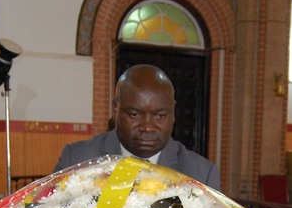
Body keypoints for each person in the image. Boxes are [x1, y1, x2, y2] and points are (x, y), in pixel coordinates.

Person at [54, 64, 221, 190]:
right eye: (134, 115)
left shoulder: (201, 175)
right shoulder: (76, 161)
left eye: (160, 116)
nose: (147, 127)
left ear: (173, 113)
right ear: (115, 109)